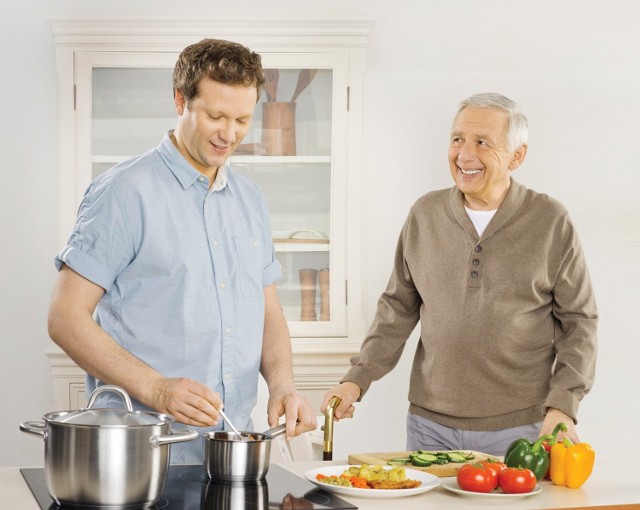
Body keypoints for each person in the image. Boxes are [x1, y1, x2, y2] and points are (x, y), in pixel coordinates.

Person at [48, 38, 317, 464]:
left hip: (233, 449)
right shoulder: (122, 193)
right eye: (215, 116)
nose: (230, 134)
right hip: (141, 452)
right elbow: (65, 318)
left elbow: (267, 312)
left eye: (243, 119)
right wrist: (157, 388)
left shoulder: (250, 199)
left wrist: (283, 385)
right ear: (180, 100)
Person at [321, 93, 597, 457]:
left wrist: (563, 404)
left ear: (517, 156)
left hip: (521, 428)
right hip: (429, 427)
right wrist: (355, 381)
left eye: (482, 142)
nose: (464, 155)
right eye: (457, 139)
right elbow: (396, 311)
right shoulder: (425, 214)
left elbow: (579, 322)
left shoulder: (550, 221)